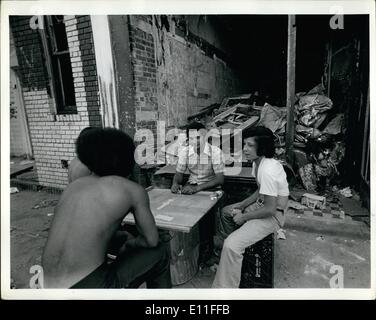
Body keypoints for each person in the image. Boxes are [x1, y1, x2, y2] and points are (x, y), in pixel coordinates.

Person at [42, 127, 171, 288]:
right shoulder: (132, 189)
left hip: (46, 285)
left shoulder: (74, 187)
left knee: (120, 241)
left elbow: (84, 231)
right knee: (159, 252)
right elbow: (151, 241)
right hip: (89, 288)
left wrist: (120, 236)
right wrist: (131, 244)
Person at [212, 126, 289, 288]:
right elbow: (260, 191)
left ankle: (225, 289)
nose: (245, 149)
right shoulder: (258, 163)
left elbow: (270, 209)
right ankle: (235, 258)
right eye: (244, 144)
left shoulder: (268, 170)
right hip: (263, 205)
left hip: (274, 215)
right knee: (226, 211)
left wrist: (244, 217)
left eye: (250, 145)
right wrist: (241, 205)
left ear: (262, 147)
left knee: (231, 245)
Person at [170, 122, 225, 265]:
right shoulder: (185, 152)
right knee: (184, 212)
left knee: (207, 216)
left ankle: (208, 247)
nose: (197, 141)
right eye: (193, 138)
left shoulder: (216, 152)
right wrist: (175, 183)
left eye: (199, 137)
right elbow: (179, 174)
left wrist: (198, 189)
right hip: (193, 185)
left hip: (211, 187)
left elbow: (220, 179)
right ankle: (191, 245)